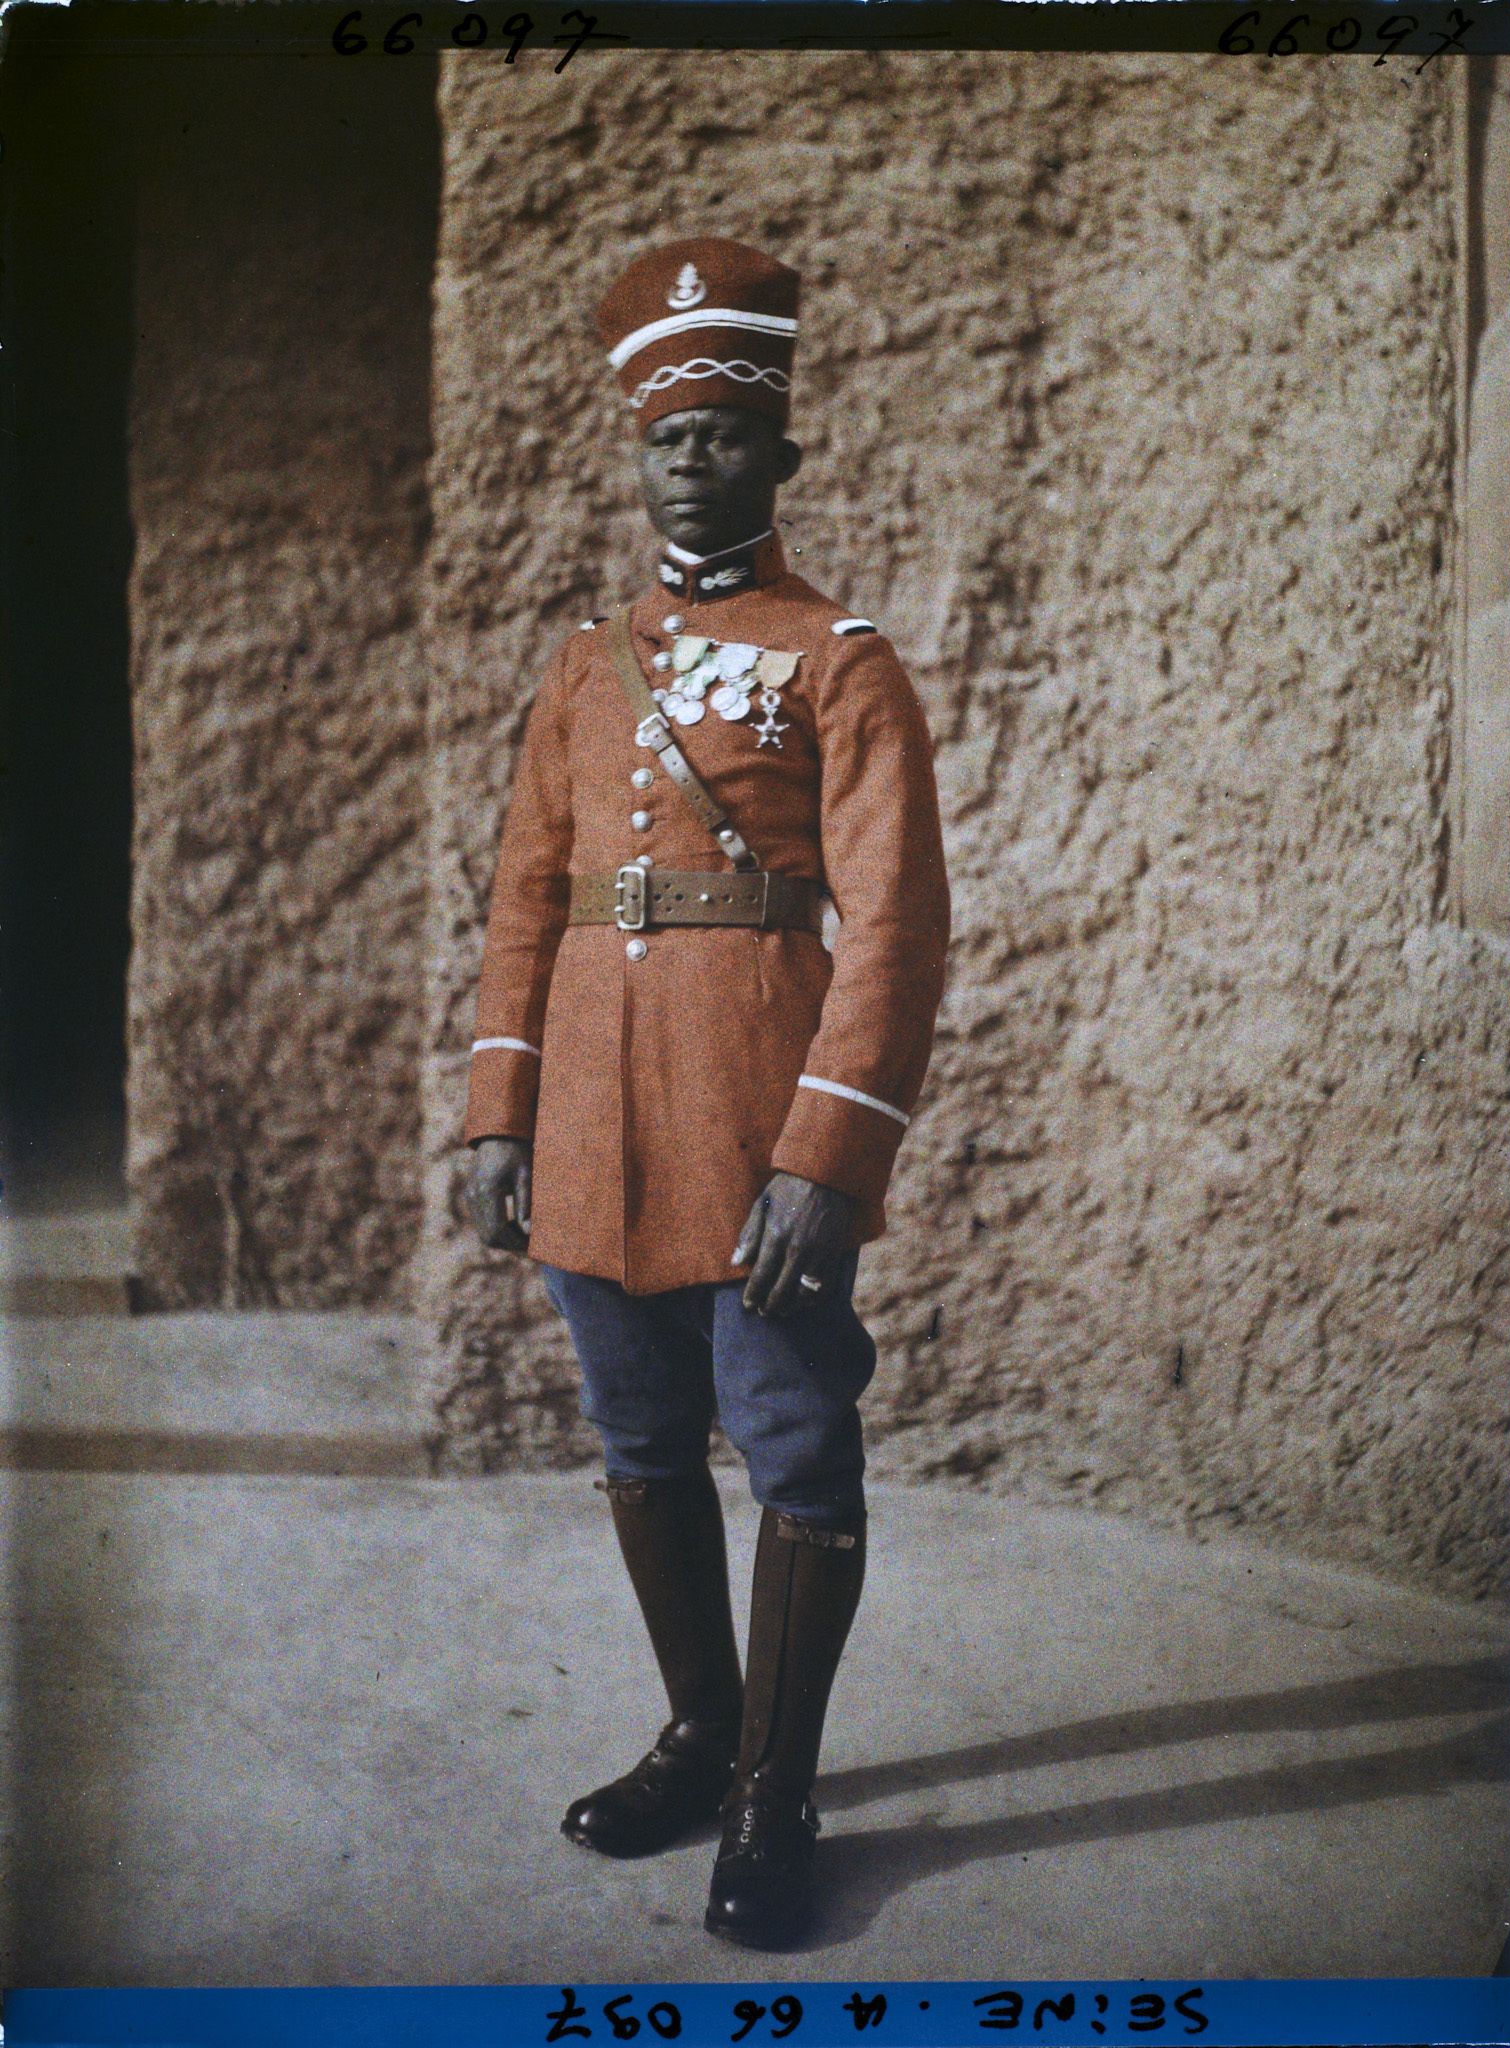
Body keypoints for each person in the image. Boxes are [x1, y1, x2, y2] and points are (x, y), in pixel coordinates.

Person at [464, 236, 951, 1950]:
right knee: (641, 1434)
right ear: (639, 457)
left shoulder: (841, 659)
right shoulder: (584, 664)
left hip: (755, 1115)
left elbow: (898, 926)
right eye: (668, 437)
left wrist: (830, 1157)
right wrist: (501, 1110)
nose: (694, 460)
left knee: (796, 1441)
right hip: (593, 1121)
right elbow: (526, 895)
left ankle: (774, 1791)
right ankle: (696, 1734)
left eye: (726, 433)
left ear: (782, 454)